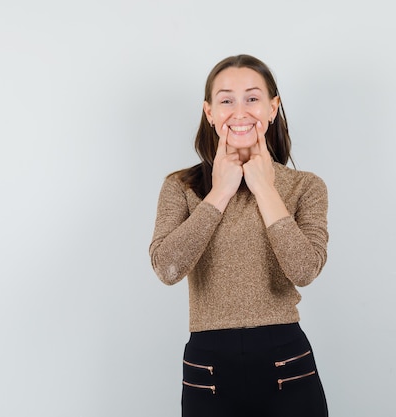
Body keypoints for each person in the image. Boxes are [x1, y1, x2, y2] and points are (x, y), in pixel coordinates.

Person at [149, 54, 329, 417]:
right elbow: (167, 269)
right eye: (226, 99)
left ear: (272, 107)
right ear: (210, 112)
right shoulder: (181, 187)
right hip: (209, 367)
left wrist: (265, 189)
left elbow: (305, 271)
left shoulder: (304, 187)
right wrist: (219, 193)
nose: (240, 111)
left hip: (286, 363)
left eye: (252, 97)